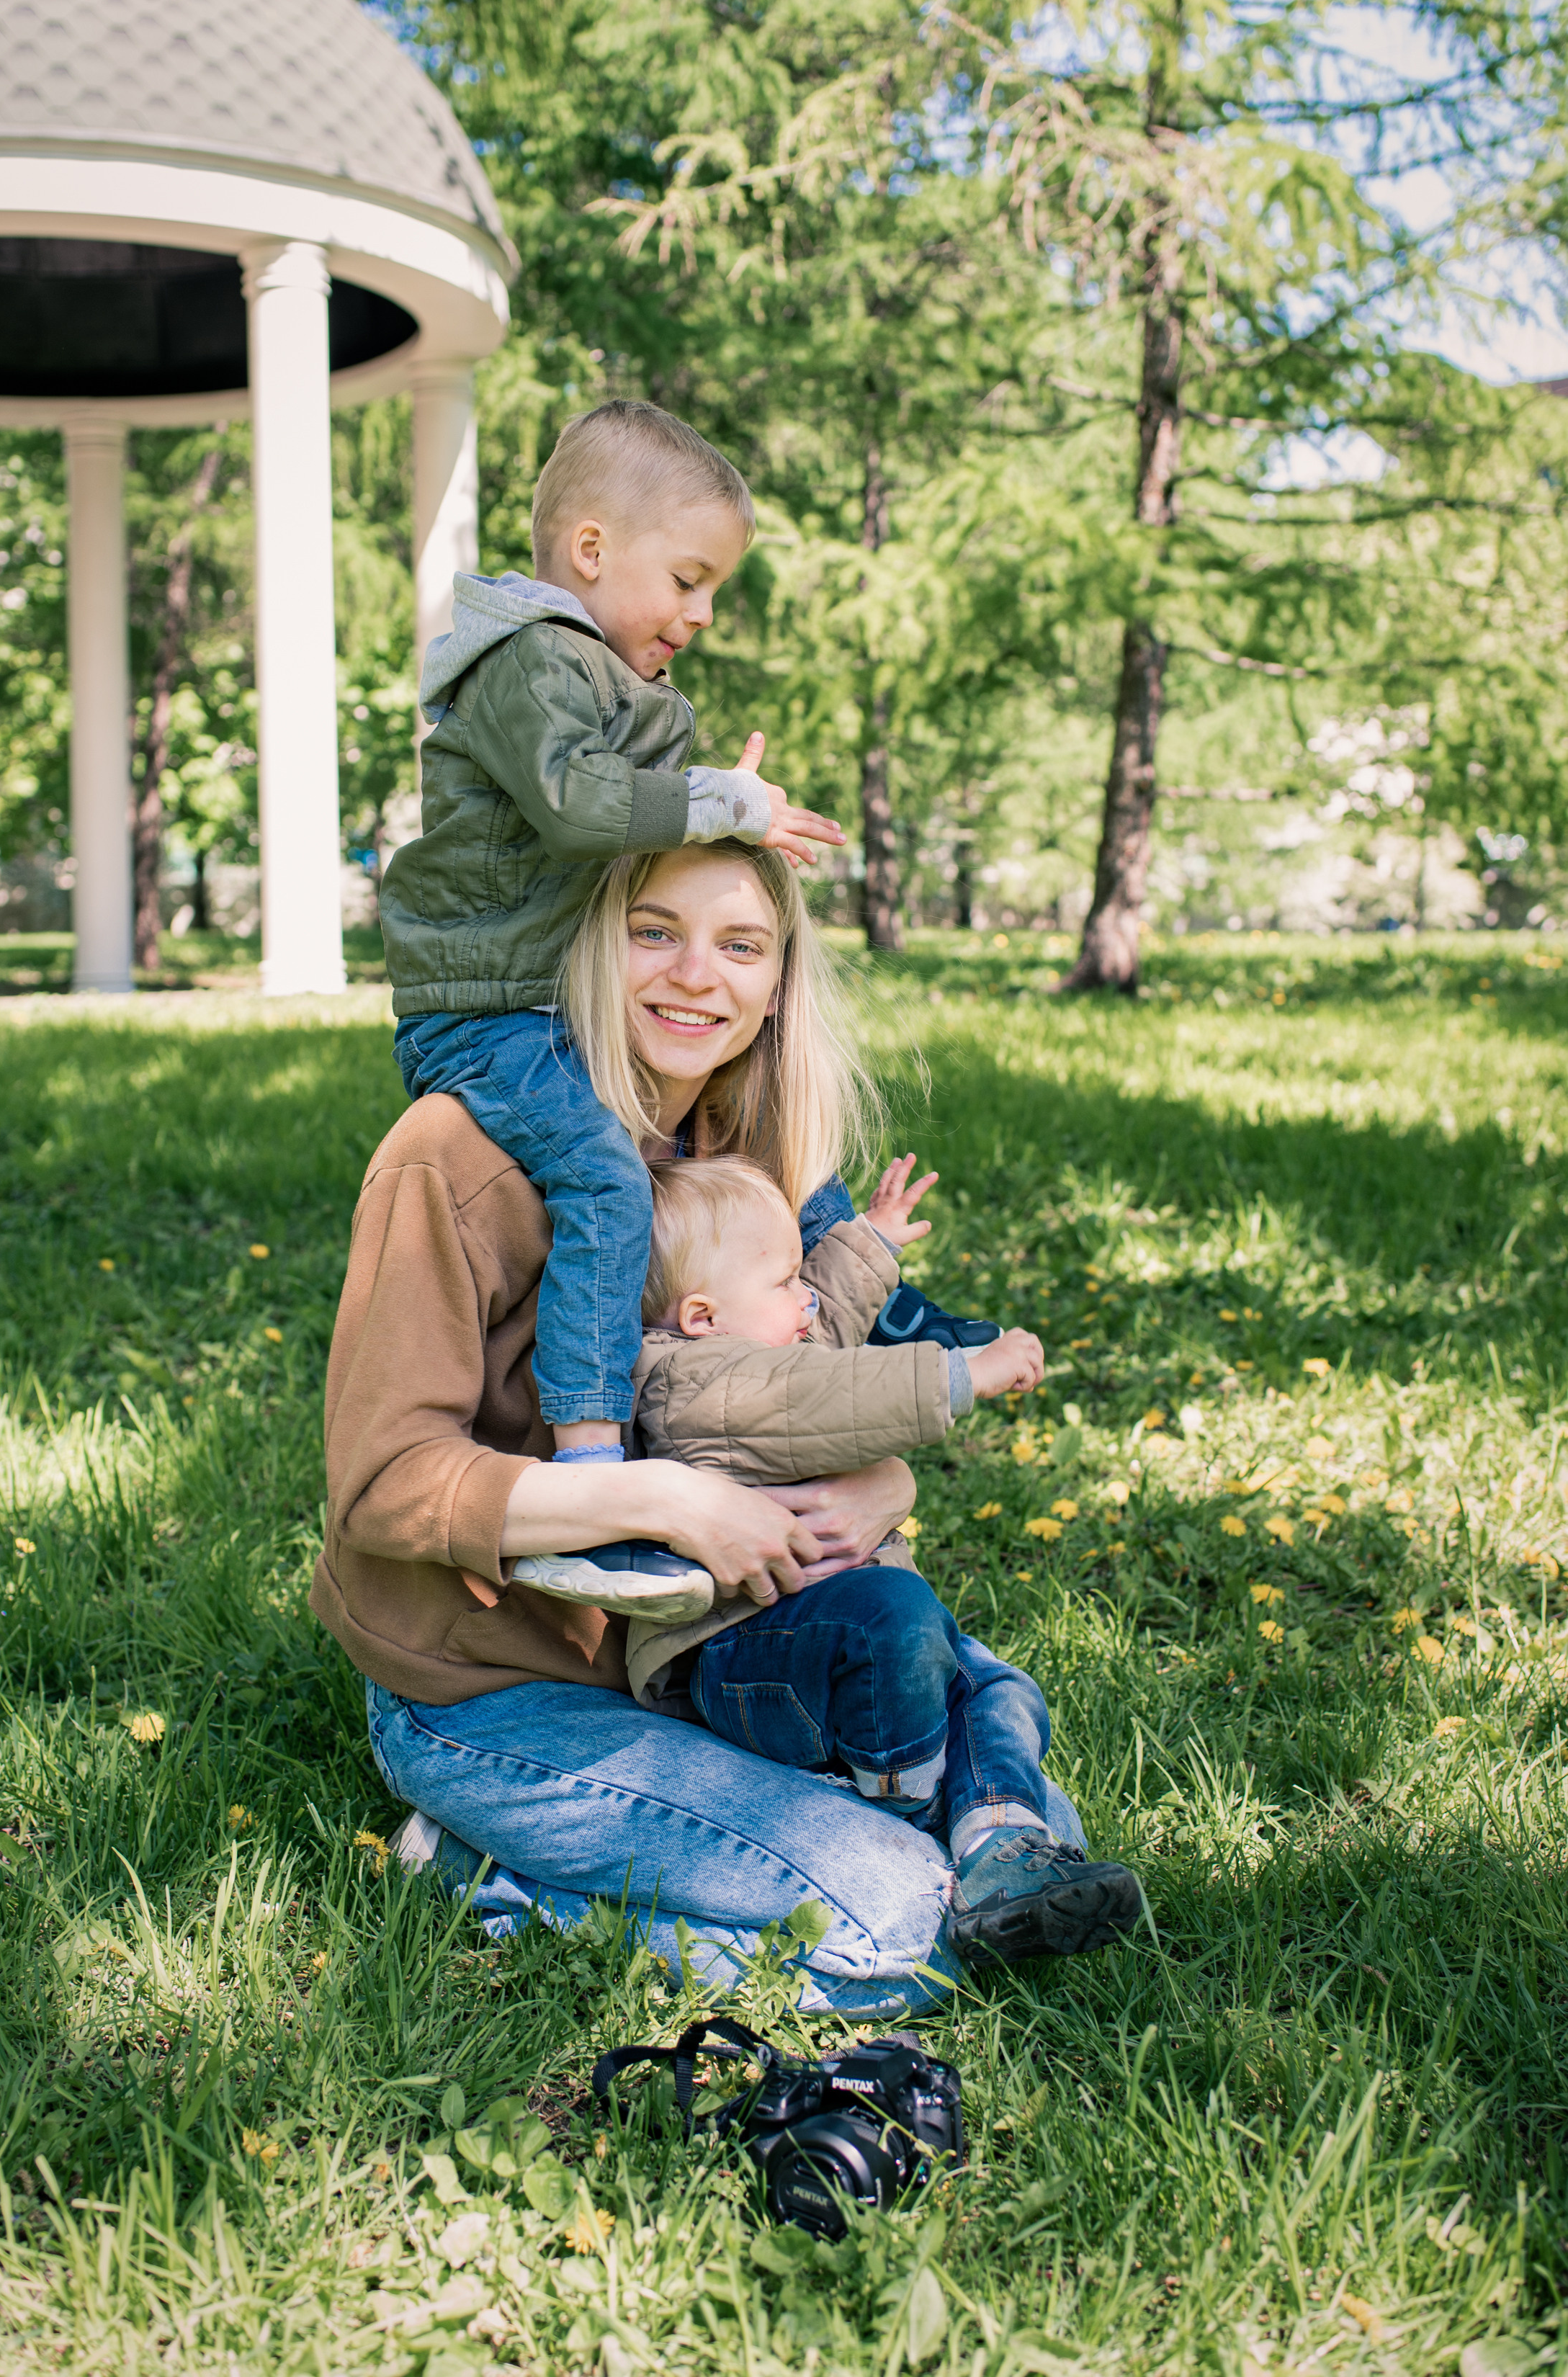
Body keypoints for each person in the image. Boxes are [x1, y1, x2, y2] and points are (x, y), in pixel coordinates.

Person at [317, 838, 1143, 2010]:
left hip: (713, 1651)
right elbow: (380, 1485)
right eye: (653, 930)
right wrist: (663, 1499)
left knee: (1017, 1827)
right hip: (492, 1692)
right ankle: (495, 1873)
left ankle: (779, 1838)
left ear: (774, 984)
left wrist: (885, 1486)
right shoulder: (456, 1158)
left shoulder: (739, 1168)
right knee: (916, 1919)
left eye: (738, 943)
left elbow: (793, 1392)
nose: (694, 974)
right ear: (583, 949)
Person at [377, 400, 846, 1514]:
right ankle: (591, 1457)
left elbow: (639, 842)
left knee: (742, 1155)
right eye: (687, 579)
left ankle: (866, 1316)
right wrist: (718, 798)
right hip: (486, 1008)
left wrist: (717, 817)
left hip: (550, 998)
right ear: (590, 550)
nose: (703, 612)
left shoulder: (620, 689)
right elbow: (584, 806)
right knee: (602, 1175)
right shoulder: (533, 663)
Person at [620, 1155, 1147, 1964]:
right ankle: (899, 1805)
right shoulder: (691, 1383)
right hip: (746, 1655)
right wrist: (968, 1372)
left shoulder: (751, 1349)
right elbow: (836, 1393)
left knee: (993, 1683)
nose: (805, 1296)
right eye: (784, 1281)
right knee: (895, 1616)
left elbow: (823, 1329)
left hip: (822, 1648)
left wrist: (868, 1241)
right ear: (700, 1316)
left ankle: (1000, 1848)